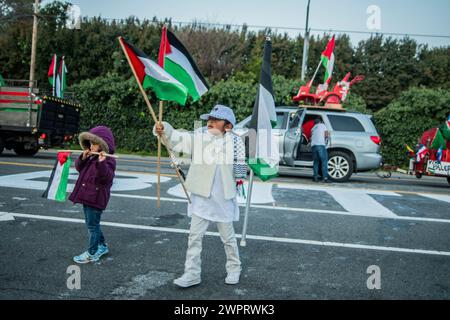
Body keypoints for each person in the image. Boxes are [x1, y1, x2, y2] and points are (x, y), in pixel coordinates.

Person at [154, 105, 246, 288]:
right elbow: (178, 139)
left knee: (228, 238)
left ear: (228, 126)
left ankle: (234, 268)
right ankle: (192, 273)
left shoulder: (236, 143)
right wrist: (164, 128)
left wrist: (242, 178)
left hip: (223, 200)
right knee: (194, 238)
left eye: (216, 120)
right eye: (209, 119)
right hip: (201, 199)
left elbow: (240, 169)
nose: (210, 122)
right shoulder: (199, 137)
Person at [69, 126, 116, 264]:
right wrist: (83, 158)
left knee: (92, 226)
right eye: (89, 143)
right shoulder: (91, 156)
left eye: (94, 143)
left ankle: (92, 252)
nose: (91, 146)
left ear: (102, 144)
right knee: (93, 224)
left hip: (95, 198)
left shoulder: (108, 159)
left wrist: (101, 163)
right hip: (87, 196)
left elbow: (106, 178)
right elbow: (79, 168)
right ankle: (102, 246)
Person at [311, 118, 330, 183]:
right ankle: (325, 178)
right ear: (320, 122)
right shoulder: (322, 125)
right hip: (321, 145)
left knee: (316, 162)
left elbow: (312, 137)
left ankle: (315, 177)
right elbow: (326, 134)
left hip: (313, 146)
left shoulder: (313, 128)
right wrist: (327, 140)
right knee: (324, 161)